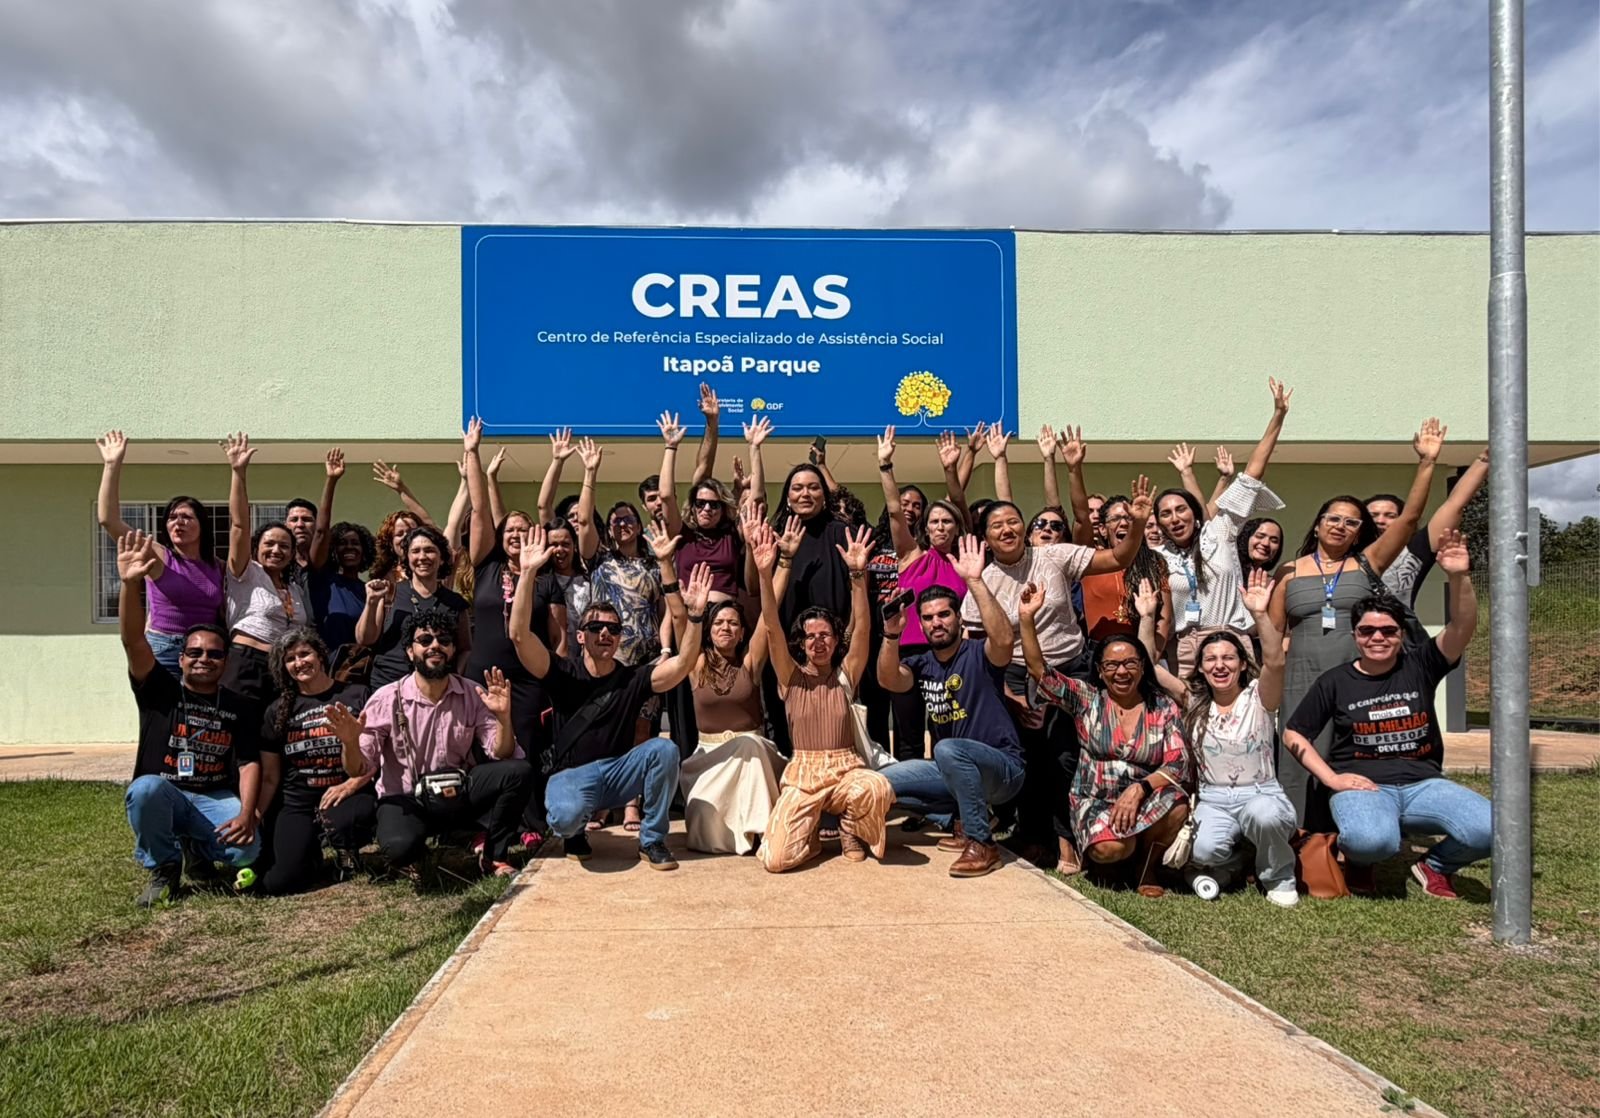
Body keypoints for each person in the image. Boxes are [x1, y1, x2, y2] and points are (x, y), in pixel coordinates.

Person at [963, 478, 1154, 874]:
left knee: (1065, 755)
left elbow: (1118, 559)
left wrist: (1136, 523)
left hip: (1069, 670)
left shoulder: (1054, 555)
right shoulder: (984, 580)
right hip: (1014, 677)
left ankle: (1068, 839)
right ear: (986, 537)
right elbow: (977, 649)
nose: (1007, 529)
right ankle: (1033, 837)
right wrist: (1008, 695)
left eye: (1013, 521)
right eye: (996, 526)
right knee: (1026, 757)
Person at [1282, 530, 1485, 899]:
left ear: (1400, 633)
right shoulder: (1336, 681)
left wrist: (1459, 577)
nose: (1378, 637)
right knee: (1372, 840)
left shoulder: (1421, 664)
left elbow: (1462, 627)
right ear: (1356, 635)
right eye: (1368, 631)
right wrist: (1333, 779)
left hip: (1424, 784)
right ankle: (1362, 859)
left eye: (1388, 631)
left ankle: (1434, 866)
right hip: (1363, 786)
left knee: (1492, 828)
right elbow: (1294, 733)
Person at [1271, 418, 1446, 823]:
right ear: (1317, 524)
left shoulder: (1367, 563)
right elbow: (1274, 635)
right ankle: (1295, 836)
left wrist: (1427, 464)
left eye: (1352, 522)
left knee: (1351, 755)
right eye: (1333, 518)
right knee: (1297, 756)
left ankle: (1352, 834)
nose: (1341, 526)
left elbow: (1408, 521)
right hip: (1300, 675)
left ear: (1358, 533)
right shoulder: (1289, 572)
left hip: (1354, 676)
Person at [509, 527, 711, 871]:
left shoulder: (632, 678)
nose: (605, 633)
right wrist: (527, 574)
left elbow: (684, 664)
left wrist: (694, 617)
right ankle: (574, 833)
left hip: (619, 774)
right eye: (596, 628)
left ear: (619, 639)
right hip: (571, 776)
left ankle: (651, 840)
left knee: (664, 750)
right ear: (580, 636)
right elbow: (518, 635)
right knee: (566, 818)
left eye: (614, 629)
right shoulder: (562, 672)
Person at [327, 606, 532, 878]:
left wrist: (504, 718)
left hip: (456, 790)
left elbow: (503, 753)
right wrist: (351, 743)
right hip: (407, 797)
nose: (435, 646)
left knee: (519, 771)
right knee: (399, 849)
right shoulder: (387, 698)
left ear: (453, 650)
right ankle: (437, 840)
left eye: (444, 640)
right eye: (425, 640)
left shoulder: (472, 693)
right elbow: (358, 769)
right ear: (410, 651)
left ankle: (494, 855)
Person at [115, 531, 261, 908]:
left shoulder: (238, 704)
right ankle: (164, 866)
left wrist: (247, 814)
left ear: (225, 662)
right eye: (194, 652)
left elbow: (248, 762)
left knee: (249, 852)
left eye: (214, 655)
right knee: (145, 791)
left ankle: (197, 848)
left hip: (212, 796)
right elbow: (133, 641)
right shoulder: (159, 690)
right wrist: (132, 585)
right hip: (168, 790)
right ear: (180, 658)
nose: (203, 659)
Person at [1135, 571, 1298, 906]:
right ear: (1201, 668)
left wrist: (1260, 615)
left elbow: (1275, 660)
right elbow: (1147, 665)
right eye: (1211, 659)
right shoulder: (1193, 701)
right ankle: (1237, 864)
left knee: (1264, 815)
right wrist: (1147, 618)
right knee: (1205, 849)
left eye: (1228, 658)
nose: (1219, 665)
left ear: (1241, 664)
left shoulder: (1259, 697)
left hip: (1260, 792)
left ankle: (1278, 876)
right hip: (1213, 799)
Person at [1019, 582, 1191, 895]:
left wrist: (1139, 789)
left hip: (1144, 796)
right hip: (1095, 799)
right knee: (1111, 849)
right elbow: (1039, 672)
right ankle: (1117, 854)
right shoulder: (1086, 699)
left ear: (1142, 667)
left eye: (1129, 663)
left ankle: (1146, 866)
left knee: (1178, 806)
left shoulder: (1162, 706)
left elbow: (1177, 764)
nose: (1121, 672)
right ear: (1099, 670)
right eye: (1111, 665)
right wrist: (1027, 619)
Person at [876, 536, 1024, 878]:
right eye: (928, 617)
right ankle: (959, 819)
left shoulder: (979, 655)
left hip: (1003, 769)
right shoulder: (922, 663)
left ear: (959, 618)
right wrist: (891, 635)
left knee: (947, 749)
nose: (936, 622)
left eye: (944, 614)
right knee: (883, 782)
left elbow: (1003, 641)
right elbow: (889, 681)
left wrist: (974, 581)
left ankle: (981, 842)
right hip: (953, 772)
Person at [754, 523, 895, 872]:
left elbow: (862, 627)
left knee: (877, 787)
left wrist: (858, 575)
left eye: (825, 635)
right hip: (803, 773)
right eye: (810, 636)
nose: (818, 642)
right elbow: (771, 625)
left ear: (834, 640)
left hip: (846, 769)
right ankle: (810, 836)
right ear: (801, 643)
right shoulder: (791, 677)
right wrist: (763, 572)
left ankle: (849, 828)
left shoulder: (846, 675)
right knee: (776, 860)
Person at [463, 420, 567, 843]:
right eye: (510, 531)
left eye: (523, 532)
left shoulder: (545, 580)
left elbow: (558, 635)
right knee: (478, 749)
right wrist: (473, 454)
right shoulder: (484, 566)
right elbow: (479, 508)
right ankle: (483, 826)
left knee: (521, 749)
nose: (515, 536)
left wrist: (555, 679)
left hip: (526, 681)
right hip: (480, 675)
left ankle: (526, 825)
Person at [667, 512, 792, 855]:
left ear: (741, 632)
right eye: (719, 622)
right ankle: (747, 833)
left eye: (734, 623)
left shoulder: (750, 661)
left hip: (755, 755)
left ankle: (766, 834)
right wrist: (666, 565)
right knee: (705, 831)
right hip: (708, 758)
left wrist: (780, 565)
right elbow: (680, 619)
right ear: (708, 629)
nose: (726, 628)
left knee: (750, 748)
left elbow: (770, 615)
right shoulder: (695, 664)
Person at [1153, 379, 1291, 674]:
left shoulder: (1221, 531)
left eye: (1181, 510)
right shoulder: (1158, 557)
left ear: (1196, 513)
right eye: (1165, 514)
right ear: (1159, 524)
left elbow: (1252, 474)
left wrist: (1278, 416)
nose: (1175, 518)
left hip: (1232, 642)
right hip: (1185, 650)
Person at [875, 425, 969, 762]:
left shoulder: (965, 562)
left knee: (949, 732)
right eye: (934, 522)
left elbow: (959, 501)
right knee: (910, 735)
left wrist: (953, 468)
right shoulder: (912, 555)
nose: (941, 526)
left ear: (957, 527)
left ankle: (950, 801)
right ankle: (914, 804)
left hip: (951, 654)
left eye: (947, 522)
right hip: (910, 654)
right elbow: (895, 512)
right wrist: (886, 467)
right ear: (925, 528)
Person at [256, 628, 376, 895]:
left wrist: (351, 753)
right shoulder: (277, 711)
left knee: (345, 819)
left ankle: (347, 851)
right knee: (281, 882)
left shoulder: (356, 694)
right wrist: (256, 814)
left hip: (347, 791)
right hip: (298, 800)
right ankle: (310, 855)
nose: (299, 663)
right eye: (290, 659)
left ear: (321, 656)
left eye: (304, 653)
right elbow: (271, 776)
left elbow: (378, 752)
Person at [96, 430, 224, 674]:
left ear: (202, 524)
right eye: (172, 518)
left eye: (186, 517)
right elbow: (108, 520)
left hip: (205, 652)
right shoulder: (157, 555)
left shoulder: (216, 566)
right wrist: (112, 464)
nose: (178, 522)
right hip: (164, 649)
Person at [220, 433, 311, 707]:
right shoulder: (245, 572)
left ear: (293, 553)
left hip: (283, 670)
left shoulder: (293, 587)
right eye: (269, 544)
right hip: (246, 664)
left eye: (284, 546)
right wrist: (239, 473)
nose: (276, 550)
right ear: (256, 547)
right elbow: (238, 526)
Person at [1367, 447, 1490, 607]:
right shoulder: (1345, 554)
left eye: (1390, 516)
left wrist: (1484, 460)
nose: (1380, 520)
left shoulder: (1413, 551)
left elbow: (1455, 504)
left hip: (1400, 630)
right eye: (1373, 516)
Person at [356, 523, 471, 689]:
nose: (422, 557)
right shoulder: (390, 592)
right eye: (415, 551)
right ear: (407, 558)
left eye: (429, 550)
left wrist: (453, 678)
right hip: (389, 685)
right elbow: (364, 639)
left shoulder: (455, 602)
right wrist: (371, 603)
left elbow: (465, 649)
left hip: (436, 688)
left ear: (442, 558)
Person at [1080, 493, 1174, 654]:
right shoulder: (1091, 560)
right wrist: (1074, 471)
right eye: (1115, 519)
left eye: (1129, 518)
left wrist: (1151, 658)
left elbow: (1164, 619)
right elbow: (1080, 518)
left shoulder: (1154, 562)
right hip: (1097, 653)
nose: (1123, 523)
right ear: (1102, 529)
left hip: (1140, 650)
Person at [302, 448, 376, 653]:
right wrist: (332, 481)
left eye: (356, 543)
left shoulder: (367, 591)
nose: (350, 547)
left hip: (359, 671)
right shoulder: (323, 579)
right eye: (343, 543)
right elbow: (320, 532)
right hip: (326, 667)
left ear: (365, 550)